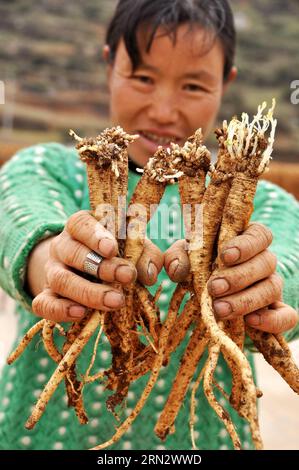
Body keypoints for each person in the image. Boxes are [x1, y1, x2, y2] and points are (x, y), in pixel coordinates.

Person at [0, 0, 298, 451]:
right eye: (143, 78)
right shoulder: (49, 168)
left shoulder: (265, 204)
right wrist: (53, 263)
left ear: (226, 84)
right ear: (108, 66)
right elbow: (19, 223)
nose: (163, 110)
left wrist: (265, 287)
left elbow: (288, 264)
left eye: (193, 85)